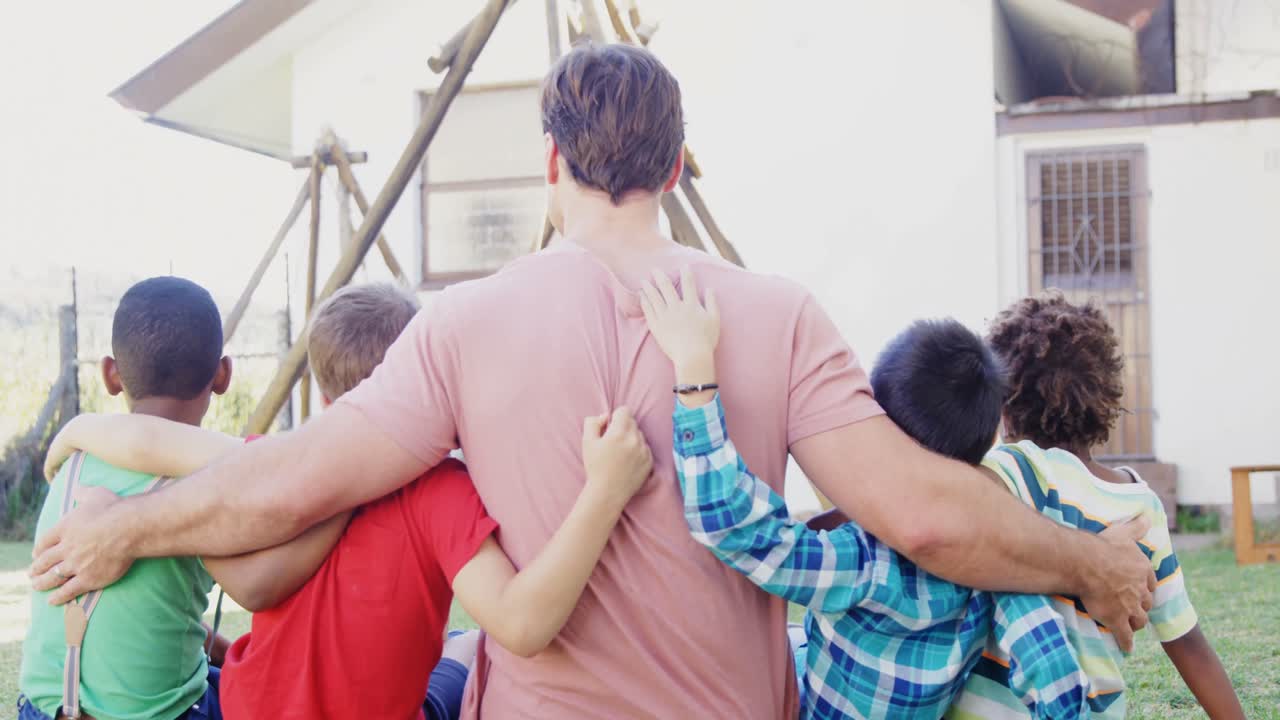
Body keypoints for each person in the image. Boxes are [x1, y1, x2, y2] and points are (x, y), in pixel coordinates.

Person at [31, 44, 1155, 719]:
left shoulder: (461, 326)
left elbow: (285, 485)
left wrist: (128, 534)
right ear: (673, 167)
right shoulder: (772, 312)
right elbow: (920, 514)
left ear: (553, 164)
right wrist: (1090, 559)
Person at [41, 283, 654, 720]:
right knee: (469, 650)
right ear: (423, 380)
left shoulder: (272, 461)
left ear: (320, 389)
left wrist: (76, 434)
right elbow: (522, 624)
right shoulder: (438, 489)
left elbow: (156, 442)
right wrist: (605, 491)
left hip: (250, 708)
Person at [640, 271, 1090, 719]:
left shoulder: (863, 563)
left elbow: (732, 523)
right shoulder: (999, 559)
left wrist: (694, 367)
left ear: (882, 432)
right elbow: (1054, 670)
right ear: (989, 437)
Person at [945, 292, 1245, 720]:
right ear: (1104, 397)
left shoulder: (1008, 470)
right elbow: (1187, 643)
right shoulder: (1141, 505)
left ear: (1004, 406)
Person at [18, 276, 234, 720]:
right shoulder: (214, 483)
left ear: (111, 375)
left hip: (41, 710)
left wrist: (217, 649)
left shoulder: (72, 461)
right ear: (222, 375)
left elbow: (144, 610)